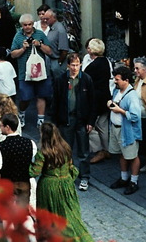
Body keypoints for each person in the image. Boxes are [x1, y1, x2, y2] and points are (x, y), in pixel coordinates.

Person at [30, 123, 93, 242]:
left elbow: (34, 172)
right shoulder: (66, 148)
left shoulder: (43, 153)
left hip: (49, 187)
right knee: (70, 213)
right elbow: (71, 167)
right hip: (66, 183)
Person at [51, 53, 94, 192]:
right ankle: (67, 176)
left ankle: (84, 177)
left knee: (83, 151)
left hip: (81, 120)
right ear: (68, 65)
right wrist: (55, 123)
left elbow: (92, 101)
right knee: (65, 150)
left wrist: (90, 121)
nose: (75, 68)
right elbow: (55, 101)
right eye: (73, 65)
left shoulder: (86, 79)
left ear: (80, 64)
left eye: (77, 65)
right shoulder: (60, 80)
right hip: (66, 119)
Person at [10, 13, 53, 128]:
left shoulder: (40, 34)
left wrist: (39, 45)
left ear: (33, 24)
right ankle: (22, 113)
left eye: (29, 24)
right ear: (21, 25)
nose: (28, 27)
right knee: (25, 97)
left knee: (41, 95)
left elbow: (49, 51)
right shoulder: (18, 36)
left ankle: (40, 119)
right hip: (25, 73)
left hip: (40, 72)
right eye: (25, 25)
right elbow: (13, 54)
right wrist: (23, 49)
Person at [107, 66, 143, 195]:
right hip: (115, 129)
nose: (115, 81)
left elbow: (135, 116)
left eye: (117, 79)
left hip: (127, 132)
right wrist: (110, 103)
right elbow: (114, 103)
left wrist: (120, 111)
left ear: (126, 80)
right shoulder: (117, 91)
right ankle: (124, 178)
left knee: (132, 156)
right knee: (122, 154)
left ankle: (134, 181)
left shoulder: (132, 96)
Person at [0, 114, 37, 207]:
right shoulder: (31, 143)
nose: (0, 128)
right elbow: (32, 163)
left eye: (1, 126)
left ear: (7, 127)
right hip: (24, 184)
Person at [84, 38, 113, 164]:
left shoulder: (92, 66)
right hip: (105, 98)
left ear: (92, 51)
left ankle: (98, 150)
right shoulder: (105, 61)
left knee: (90, 127)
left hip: (94, 100)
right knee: (103, 126)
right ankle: (107, 150)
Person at [42, 9, 69, 80]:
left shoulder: (60, 30)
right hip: (50, 61)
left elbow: (64, 50)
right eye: (44, 19)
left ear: (54, 18)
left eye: (47, 19)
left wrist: (59, 63)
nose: (45, 21)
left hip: (56, 61)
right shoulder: (52, 28)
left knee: (59, 85)